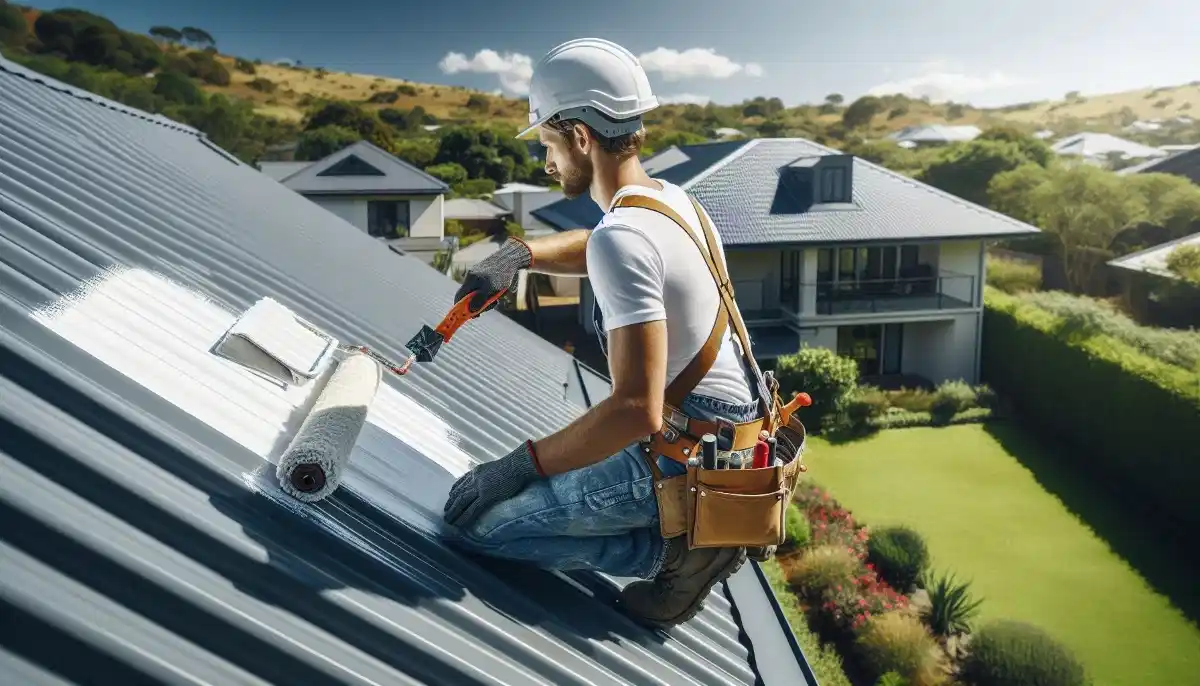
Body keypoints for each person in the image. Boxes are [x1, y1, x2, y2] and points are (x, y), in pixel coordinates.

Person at [440, 37, 773, 628]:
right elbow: (608, 245)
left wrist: (516, 466)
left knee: (480, 526)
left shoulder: (625, 235)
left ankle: (674, 553)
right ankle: (685, 535)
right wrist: (523, 254)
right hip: (733, 442)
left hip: (688, 458)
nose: (546, 162)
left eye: (548, 143)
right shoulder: (673, 202)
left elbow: (634, 411)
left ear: (582, 137)